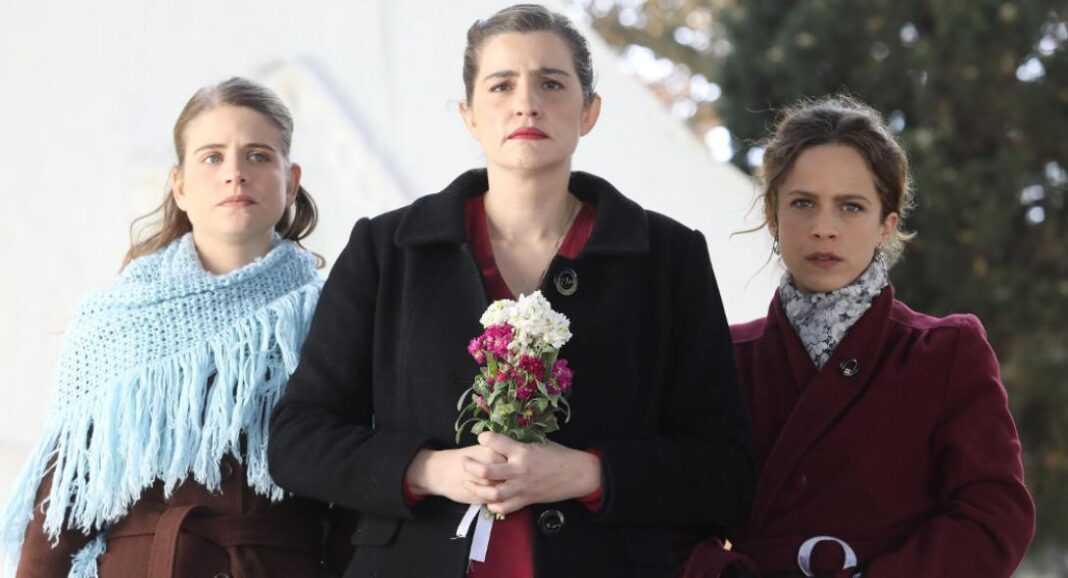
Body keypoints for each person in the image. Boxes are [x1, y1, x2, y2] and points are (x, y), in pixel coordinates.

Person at [266, 4, 754, 578]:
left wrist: (588, 474)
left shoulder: (668, 258)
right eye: (501, 85)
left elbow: (725, 471)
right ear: (469, 115)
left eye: (552, 83)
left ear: (589, 111)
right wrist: (428, 470)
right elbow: (298, 441)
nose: (527, 103)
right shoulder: (387, 249)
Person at [1, 77, 350, 578]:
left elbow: (354, 494)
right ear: (180, 185)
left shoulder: (336, 315)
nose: (235, 174)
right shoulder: (115, 321)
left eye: (257, 156)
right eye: (212, 157)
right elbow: (63, 502)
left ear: (290, 181)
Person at [684, 95, 1035, 578]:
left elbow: (994, 517)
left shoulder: (947, 352)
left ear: (886, 225)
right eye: (803, 203)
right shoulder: (725, 357)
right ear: (773, 215)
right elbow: (671, 517)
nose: (823, 228)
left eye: (850, 207)